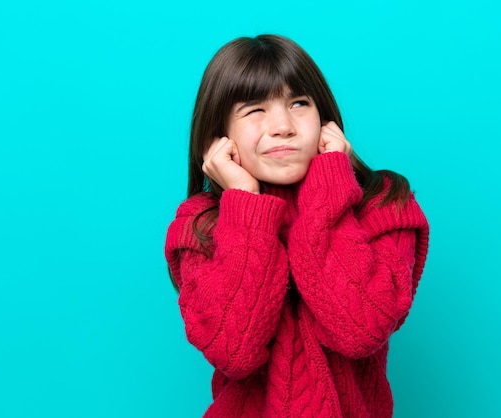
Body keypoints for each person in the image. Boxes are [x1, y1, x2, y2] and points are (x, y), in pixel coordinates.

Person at [165, 34, 430, 417]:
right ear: (217, 138)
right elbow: (233, 351)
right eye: (255, 109)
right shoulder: (201, 227)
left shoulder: (385, 205)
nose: (283, 127)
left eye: (299, 103)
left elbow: (361, 330)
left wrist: (330, 188)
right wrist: (245, 202)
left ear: (325, 120)